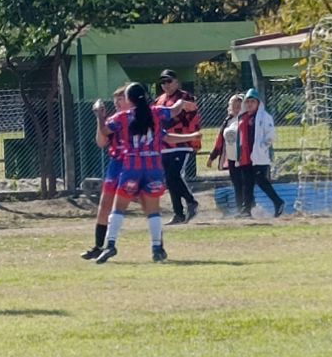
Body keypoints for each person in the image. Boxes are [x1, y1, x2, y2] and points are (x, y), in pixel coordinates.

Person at [92, 82, 199, 264]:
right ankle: (157, 248)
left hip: (132, 166)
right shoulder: (157, 112)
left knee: (118, 209)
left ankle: (110, 244)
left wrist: (100, 116)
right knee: (153, 211)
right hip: (153, 168)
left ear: (129, 99)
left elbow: (104, 131)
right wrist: (182, 103)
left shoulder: (123, 117)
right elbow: (173, 110)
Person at [80, 85, 129, 260]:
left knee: (149, 205)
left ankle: (157, 244)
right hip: (116, 164)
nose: (116, 102)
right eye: (115, 98)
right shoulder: (115, 120)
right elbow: (101, 142)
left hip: (136, 164)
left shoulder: (142, 116)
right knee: (105, 206)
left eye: (121, 98)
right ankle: (99, 247)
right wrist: (99, 117)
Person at [155, 69, 201, 225]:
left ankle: (191, 201)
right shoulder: (159, 100)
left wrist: (166, 120)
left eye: (169, 81)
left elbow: (182, 116)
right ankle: (178, 213)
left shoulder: (185, 97)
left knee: (173, 175)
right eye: (163, 82)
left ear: (176, 82)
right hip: (164, 144)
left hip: (182, 142)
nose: (166, 85)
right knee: (169, 178)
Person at [236, 88, 285, 218]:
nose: (250, 104)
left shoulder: (264, 117)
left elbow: (270, 135)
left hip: (258, 156)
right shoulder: (243, 117)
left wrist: (262, 147)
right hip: (245, 156)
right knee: (247, 183)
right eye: (248, 101)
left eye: (253, 101)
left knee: (261, 180)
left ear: (258, 103)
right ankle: (246, 210)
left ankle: (278, 201)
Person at [207, 94, 245, 214]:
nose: (236, 108)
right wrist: (212, 157)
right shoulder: (227, 121)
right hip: (232, 158)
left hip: (245, 158)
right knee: (237, 184)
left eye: (239, 106)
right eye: (233, 106)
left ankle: (249, 206)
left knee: (246, 183)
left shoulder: (246, 119)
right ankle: (240, 208)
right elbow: (220, 141)